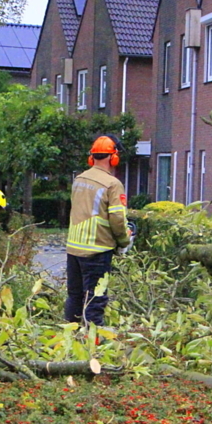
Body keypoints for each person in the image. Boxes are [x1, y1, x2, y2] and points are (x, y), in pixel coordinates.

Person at [65, 135, 131, 328]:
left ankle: (70, 338)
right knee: (95, 298)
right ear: (114, 158)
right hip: (97, 249)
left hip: (74, 248)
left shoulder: (79, 179)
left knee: (75, 297)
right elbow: (118, 219)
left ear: (92, 157)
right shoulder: (112, 184)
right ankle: (92, 345)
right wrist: (124, 240)